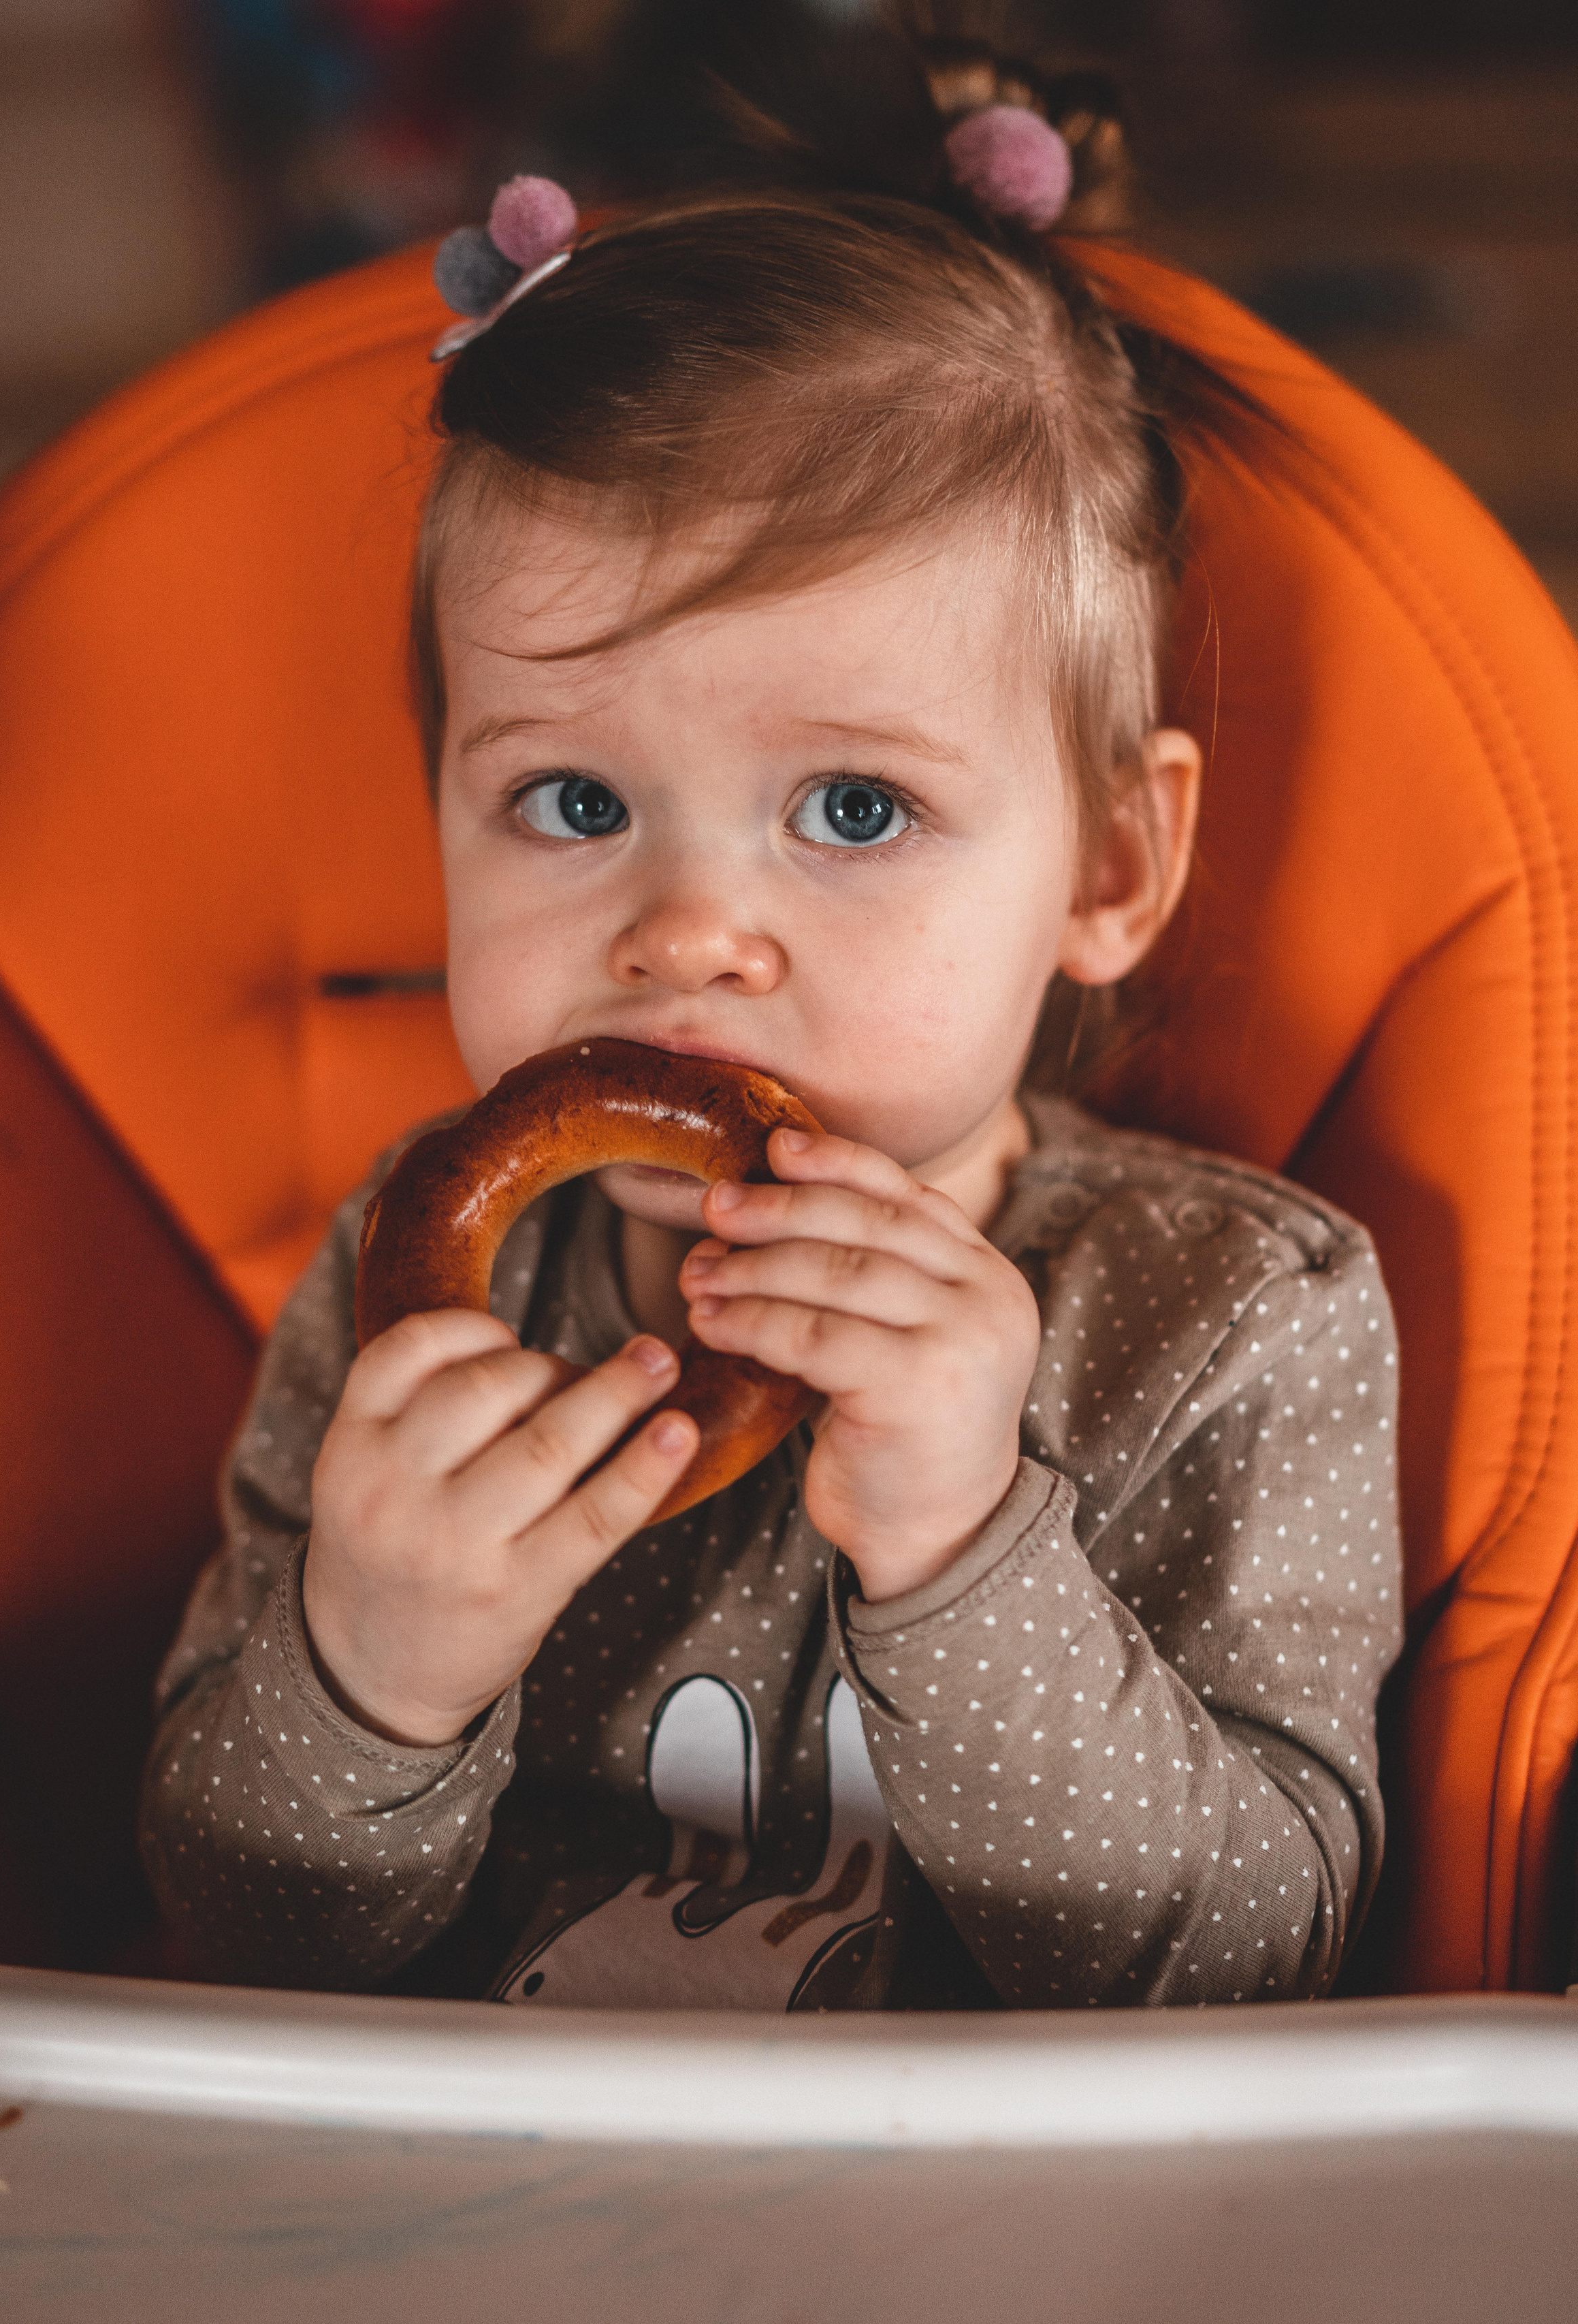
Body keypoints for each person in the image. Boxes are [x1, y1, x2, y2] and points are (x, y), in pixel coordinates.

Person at [140, 22, 1403, 2009]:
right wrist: (366, 1673)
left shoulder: (1233, 1317)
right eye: (572, 803)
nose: (690, 932)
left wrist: (969, 1546)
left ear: (1104, 871)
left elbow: (1245, 1971)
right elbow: (233, 1955)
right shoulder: (421, 1297)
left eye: (855, 808)